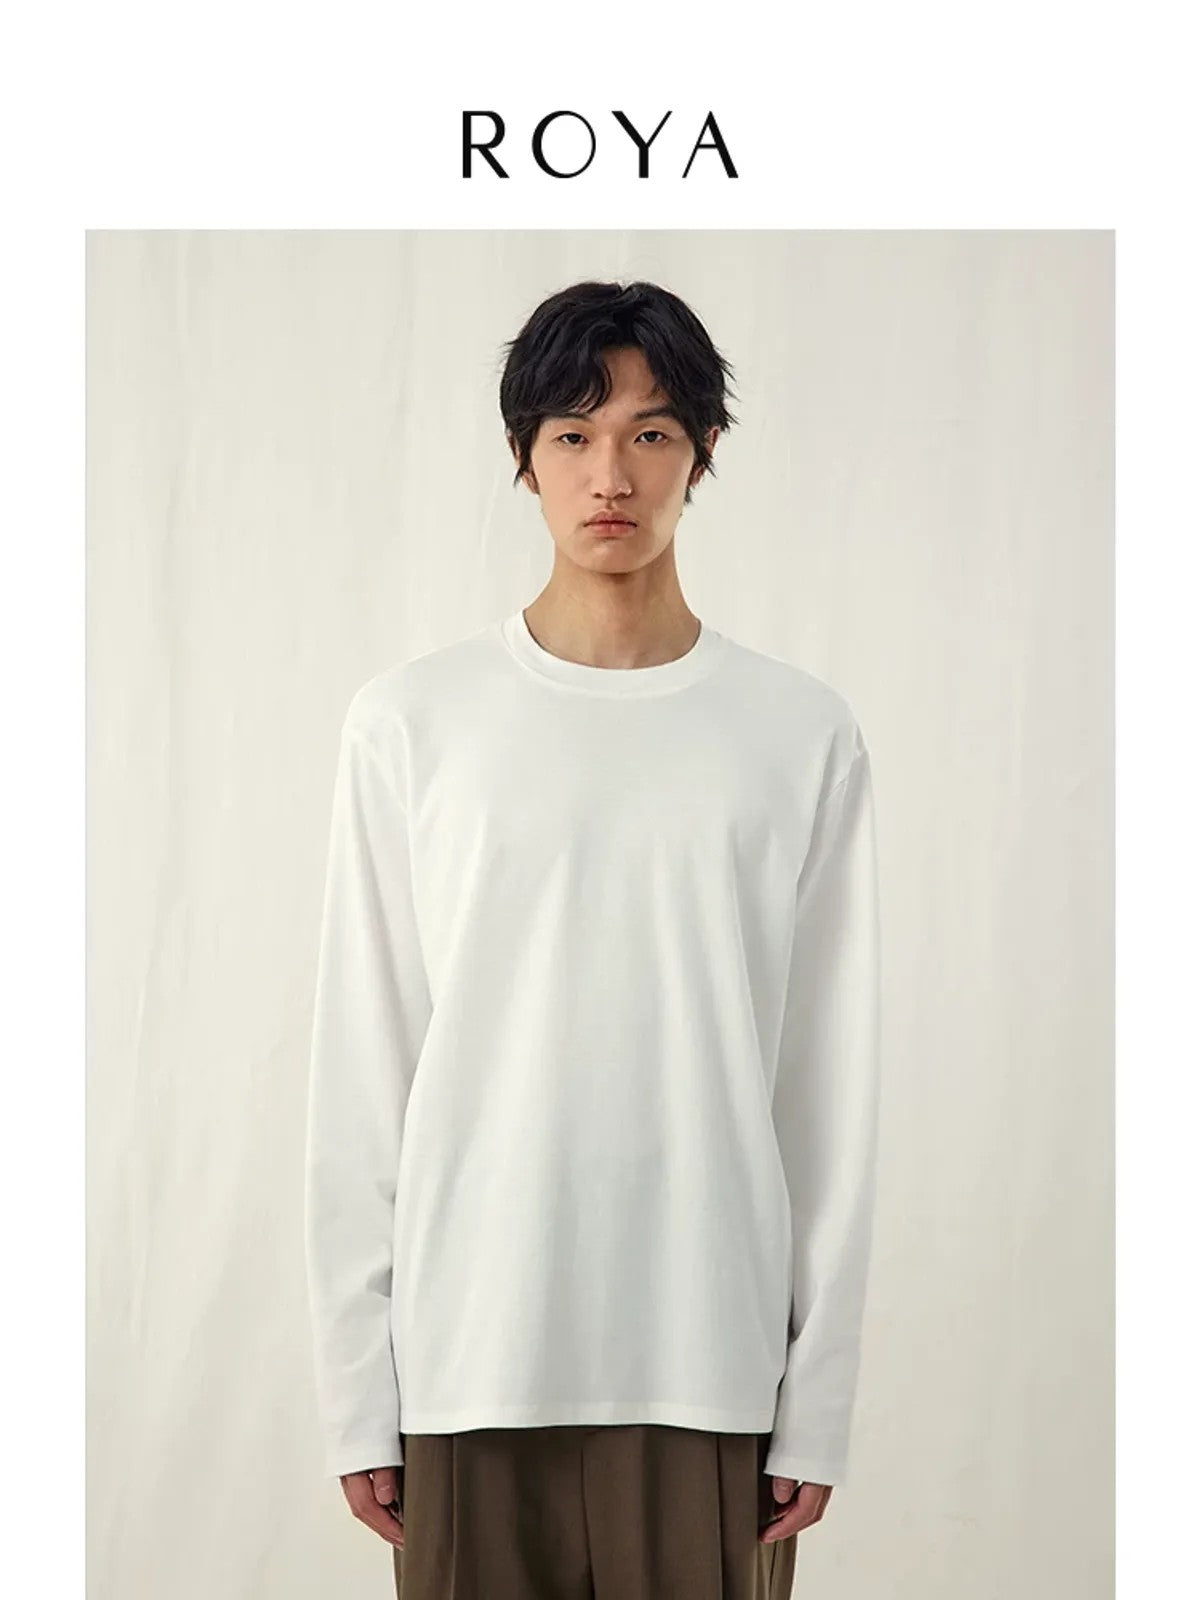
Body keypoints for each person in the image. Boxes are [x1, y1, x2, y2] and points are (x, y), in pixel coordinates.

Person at [304, 280, 882, 1599]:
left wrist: (820, 1398)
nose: (609, 474)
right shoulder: (412, 723)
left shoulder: (798, 734)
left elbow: (829, 1097)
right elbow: (365, 1067)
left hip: (711, 1358)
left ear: (703, 452)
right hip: (471, 1354)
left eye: (649, 433)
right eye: (571, 433)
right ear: (525, 457)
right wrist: (355, 1390)